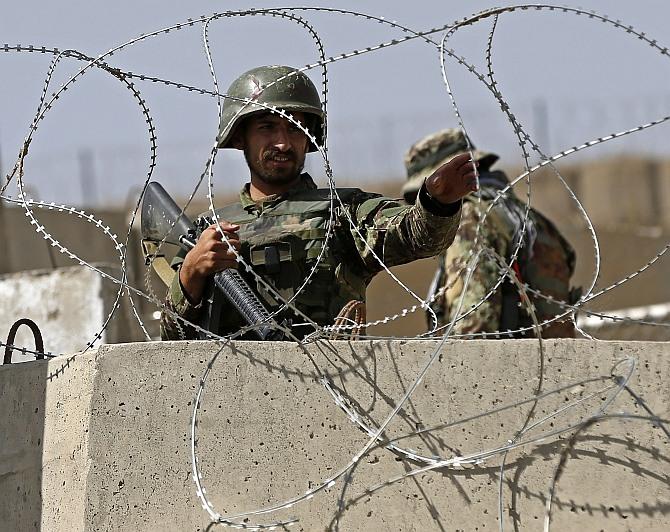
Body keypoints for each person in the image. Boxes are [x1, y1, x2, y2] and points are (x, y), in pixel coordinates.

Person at [160, 66, 477, 340]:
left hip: (330, 388)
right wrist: (191, 271)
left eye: (294, 128)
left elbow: (411, 235)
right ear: (240, 137)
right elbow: (174, 340)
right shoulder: (206, 232)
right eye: (267, 127)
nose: (283, 142)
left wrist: (437, 202)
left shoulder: (343, 211)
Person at [402, 129, 580, 338]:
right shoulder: (529, 218)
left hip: (504, 366)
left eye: (427, 195)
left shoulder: (470, 219)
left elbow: (473, 327)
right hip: (551, 362)